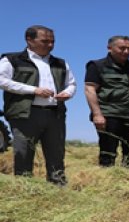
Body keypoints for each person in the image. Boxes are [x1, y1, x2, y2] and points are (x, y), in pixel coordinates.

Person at [0, 25, 76, 185]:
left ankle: (58, 190)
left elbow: (71, 84)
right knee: (23, 154)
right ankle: (24, 190)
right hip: (25, 115)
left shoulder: (60, 63)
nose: (50, 45)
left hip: (55, 114)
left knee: (56, 155)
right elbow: (2, 81)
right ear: (29, 40)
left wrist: (68, 93)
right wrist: (34, 90)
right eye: (45, 41)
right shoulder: (12, 59)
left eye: (52, 41)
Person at [84, 36, 129, 167]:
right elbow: (89, 89)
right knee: (108, 152)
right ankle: (108, 182)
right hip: (110, 115)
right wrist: (97, 114)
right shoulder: (97, 66)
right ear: (110, 48)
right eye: (122, 48)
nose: (126, 52)